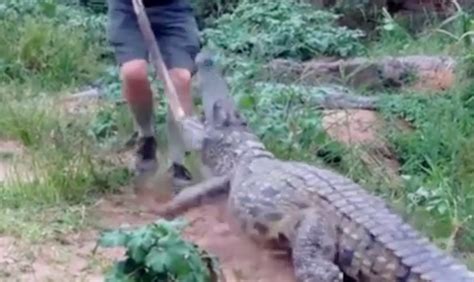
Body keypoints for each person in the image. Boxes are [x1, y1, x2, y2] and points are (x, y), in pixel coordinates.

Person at [106, 0, 201, 187]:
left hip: (173, 9)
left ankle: (178, 163)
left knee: (181, 79)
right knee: (134, 73)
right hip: (127, 9)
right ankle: (146, 139)